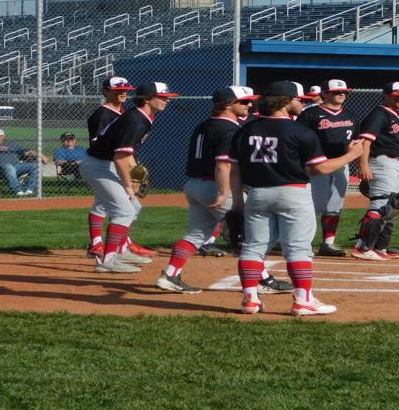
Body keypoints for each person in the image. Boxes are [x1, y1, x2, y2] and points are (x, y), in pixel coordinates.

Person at [232, 80, 366, 316]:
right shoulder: (300, 131)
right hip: (293, 191)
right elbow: (320, 169)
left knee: (253, 248)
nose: (302, 104)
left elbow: (233, 167)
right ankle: (303, 300)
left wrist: (236, 199)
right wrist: (353, 155)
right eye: (298, 100)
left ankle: (250, 300)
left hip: (258, 192)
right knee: (298, 249)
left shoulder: (246, 129)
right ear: (284, 101)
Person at [155, 85, 290, 297]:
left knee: (198, 233)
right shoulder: (229, 129)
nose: (249, 105)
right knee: (252, 235)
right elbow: (223, 165)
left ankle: (170, 275)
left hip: (194, 185)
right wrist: (223, 192)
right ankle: (264, 280)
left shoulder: (204, 125)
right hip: (215, 185)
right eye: (244, 102)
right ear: (228, 105)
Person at [82, 80, 178, 273]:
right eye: (162, 97)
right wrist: (128, 186)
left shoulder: (143, 117)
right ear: (148, 99)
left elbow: (128, 154)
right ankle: (107, 261)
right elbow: (120, 156)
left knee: (133, 206)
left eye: (167, 97)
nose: (166, 100)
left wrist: (136, 174)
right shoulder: (135, 119)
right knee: (125, 209)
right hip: (99, 166)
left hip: (106, 163)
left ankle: (121, 249)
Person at [347, 80, 399, 261]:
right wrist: (363, 166)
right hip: (380, 162)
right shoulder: (379, 114)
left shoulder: (397, 114)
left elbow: (397, 142)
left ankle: (380, 246)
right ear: (387, 96)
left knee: (395, 204)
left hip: (395, 162)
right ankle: (363, 247)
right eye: (398, 96)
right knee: (381, 205)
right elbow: (365, 142)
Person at [296, 78, 356, 257]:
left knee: (335, 206)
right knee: (313, 205)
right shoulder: (310, 114)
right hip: (316, 164)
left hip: (341, 163)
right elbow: (298, 140)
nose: (341, 95)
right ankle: (302, 242)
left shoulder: (350, 116)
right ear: (324, 93)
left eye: (344, 92)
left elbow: (355, 142)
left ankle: (328, 243)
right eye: (336, 92)